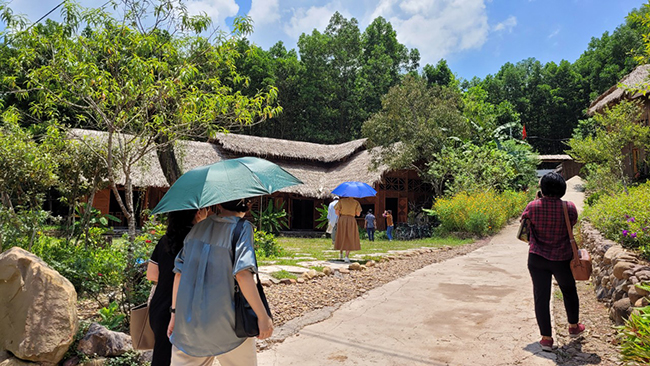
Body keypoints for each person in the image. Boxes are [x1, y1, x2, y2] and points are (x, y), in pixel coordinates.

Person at [167, 198, 273, 366]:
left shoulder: (197, 228)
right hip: (228, 325)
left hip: (188, 325)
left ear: (218, 203)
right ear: (248, 204)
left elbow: (178, 275)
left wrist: (174, 314)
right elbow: (243, 275)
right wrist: (263, 317)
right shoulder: (242, 228)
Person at [521, 172, 584, 352]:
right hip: (562, 258)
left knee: (541, 296)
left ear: (542, 189)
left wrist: (536, 200)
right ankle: (573, 327)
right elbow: (572, 223)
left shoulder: (532, 206)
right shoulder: (569, 207)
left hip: (537, 258)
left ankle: (546, 339)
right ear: (562, 189)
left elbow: (523, 223)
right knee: (569, 290)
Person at [146, 207, 211, 366]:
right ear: (198, 213)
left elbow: (151, 275)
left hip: (160, 306)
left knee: (161, 356)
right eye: (206, 210)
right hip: (185, 309)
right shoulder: (200, 242)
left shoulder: (165, 240)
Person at [334, 196, 362, 263]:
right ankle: (346, 256)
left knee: (341, 234)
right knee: (350, 236)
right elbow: (358, 214)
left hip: (342, 219)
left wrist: (341, 216)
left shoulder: (341, 201)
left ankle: (341, 252)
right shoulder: (356, 202)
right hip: (351, 220)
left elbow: (336, 212)